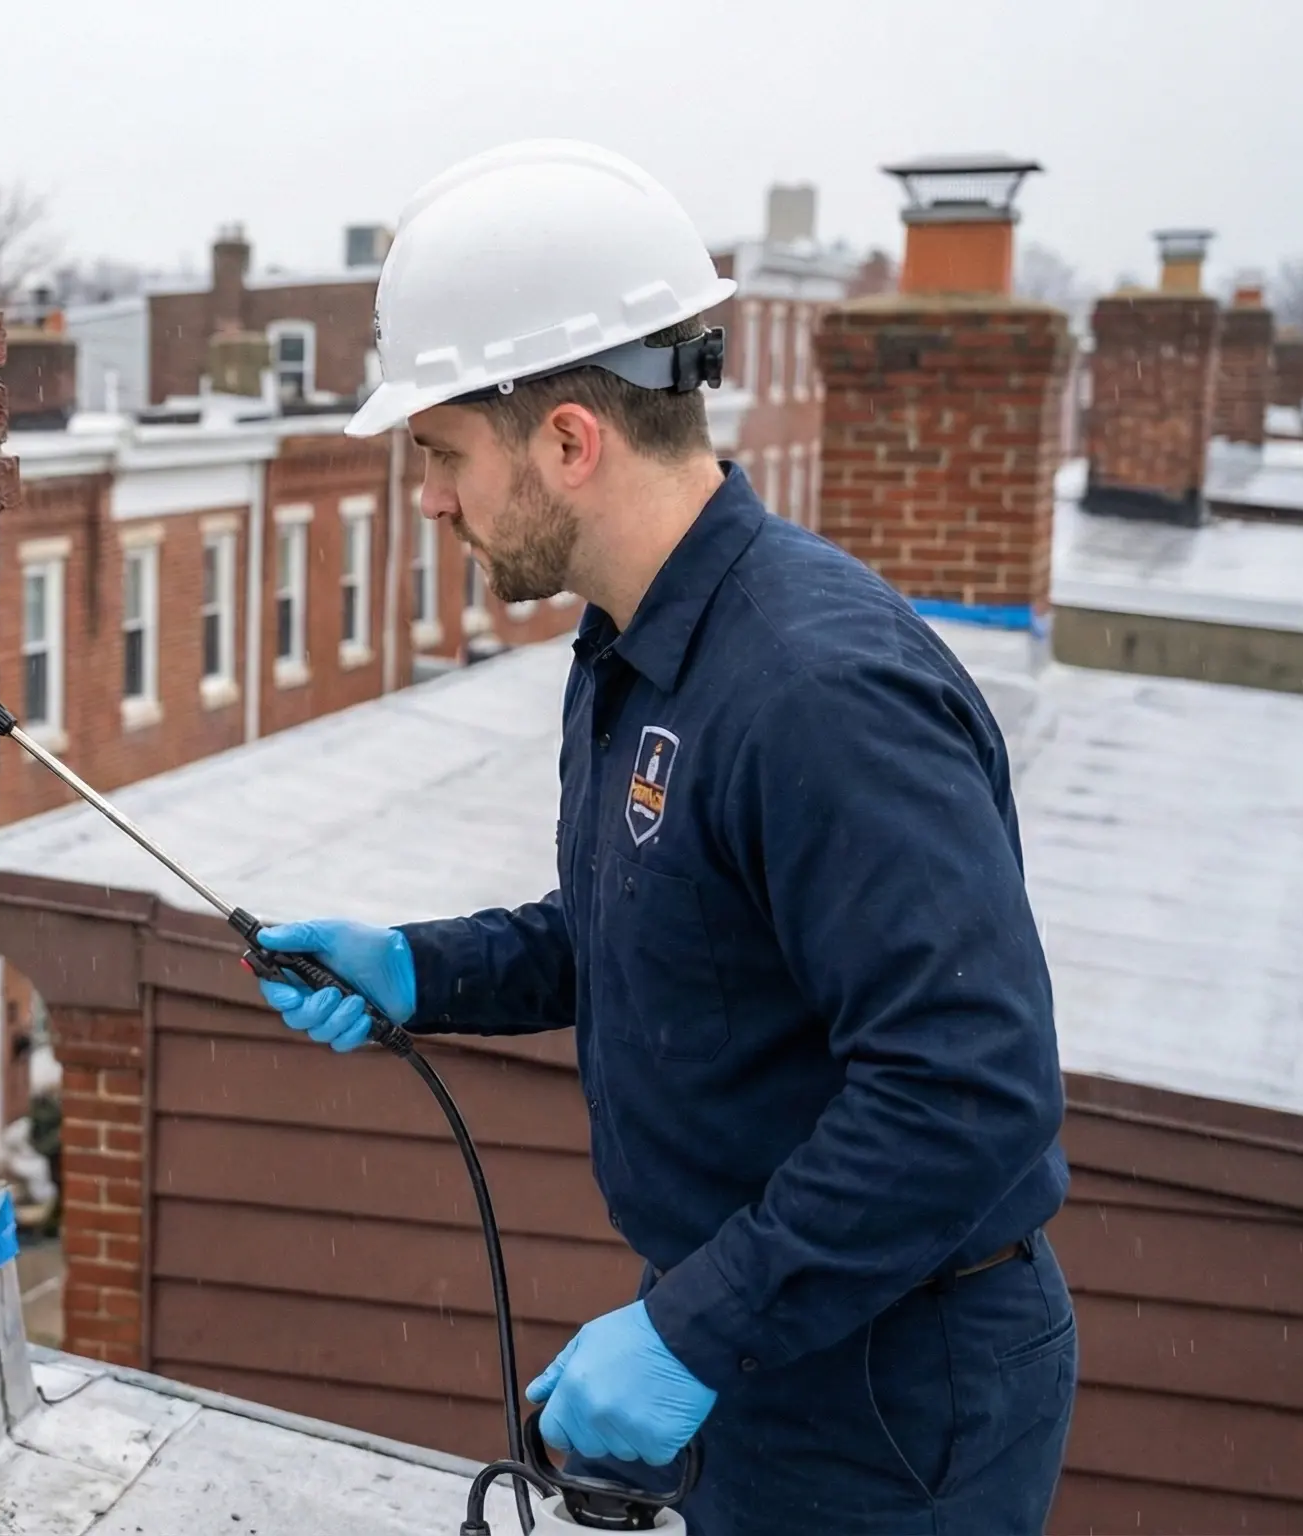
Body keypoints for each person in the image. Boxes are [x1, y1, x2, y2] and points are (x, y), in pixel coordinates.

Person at [257, 140, 1077, 1534]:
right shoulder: (636, 649)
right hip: (772, 1333)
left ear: (570, 442)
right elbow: (658, 931)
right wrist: (417, 968)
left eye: (443, 453)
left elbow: (968, 1088)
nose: (431, 499)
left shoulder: (819, 693)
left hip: (891, 1393)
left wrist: (697, 1330)